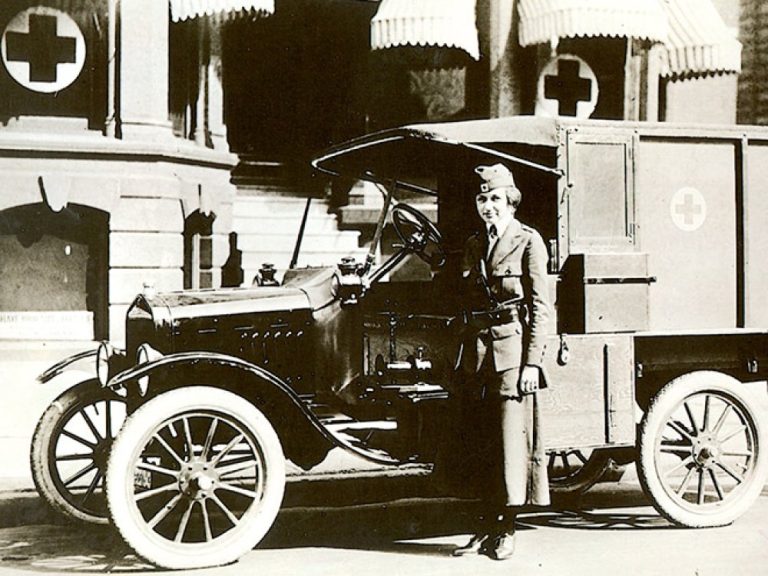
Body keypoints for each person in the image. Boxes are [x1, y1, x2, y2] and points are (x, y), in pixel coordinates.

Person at [452, 163, 552, 561]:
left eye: (494, 199)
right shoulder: (476, 244)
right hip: (477, 354)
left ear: (510, 202)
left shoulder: (528, 241)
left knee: (510, 443)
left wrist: (533, 364)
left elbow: (541, 308)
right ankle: (483, 527)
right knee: (481, 442)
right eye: (482, 199)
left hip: (512, 352)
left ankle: (506, 529)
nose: (487, 206)